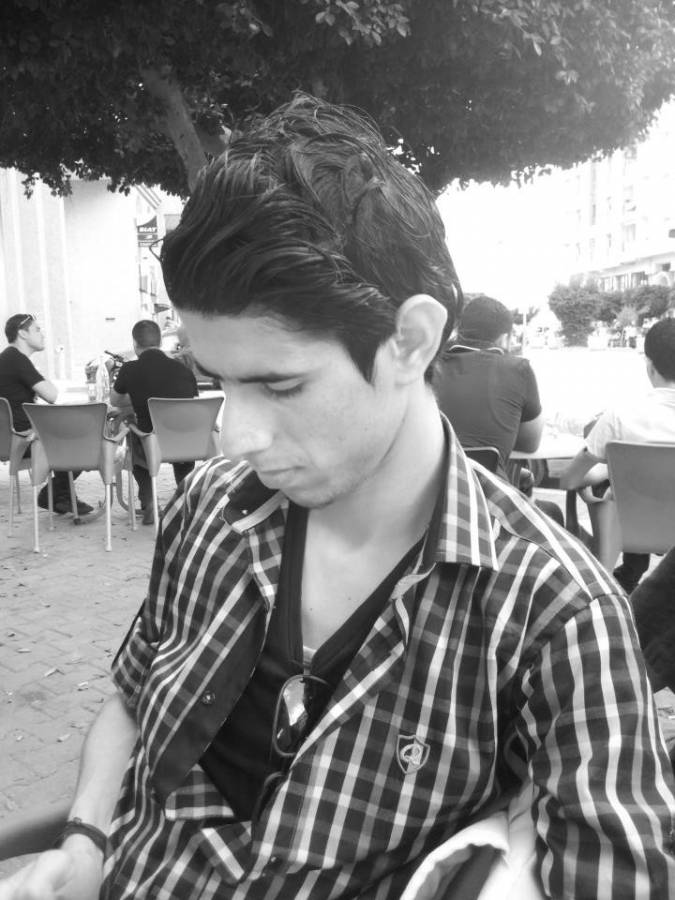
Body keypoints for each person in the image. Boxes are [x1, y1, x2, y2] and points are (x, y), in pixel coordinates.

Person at [2, 96, 674, 900]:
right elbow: (135, 691)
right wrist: (85, 838)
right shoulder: (212, 509)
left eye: (280, 385)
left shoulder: (553, 613)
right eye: (221, 384)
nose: (233, 436)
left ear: (410, 341)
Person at [560, 317, 675, 592]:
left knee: (617, 488)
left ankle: (620, 580)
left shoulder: (620, 416)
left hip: (631, 528)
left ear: (649, 365)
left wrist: (606, 472)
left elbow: (569, 480)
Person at [434, 294, 544, 476]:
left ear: (459, 330)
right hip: (488, 488)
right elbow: (530, 444)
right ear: (504, 338)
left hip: (431, 486)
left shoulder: (431, 366)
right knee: (533, 486)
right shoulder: (519, 369)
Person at [0, 313, 92, 515]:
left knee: (66, 435)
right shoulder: (17, 359)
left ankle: (60, 495)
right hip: (23, 441)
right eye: (37, 329)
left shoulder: (7, 358)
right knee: (80, 440)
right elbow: (51, 394)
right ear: (22, 334)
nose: (42, 335)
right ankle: (57, 494)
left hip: (10, 441)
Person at [109, 319, 198, 525]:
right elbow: (191, 401)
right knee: (181, 439)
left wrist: (137, 397)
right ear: (159, 342)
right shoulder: (183, 369)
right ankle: (185, 498)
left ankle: (148, 500)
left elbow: (115, 400)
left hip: (151, 443)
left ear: (135, 344)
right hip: (186, 442)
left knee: (134, 434)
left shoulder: (130, 369)